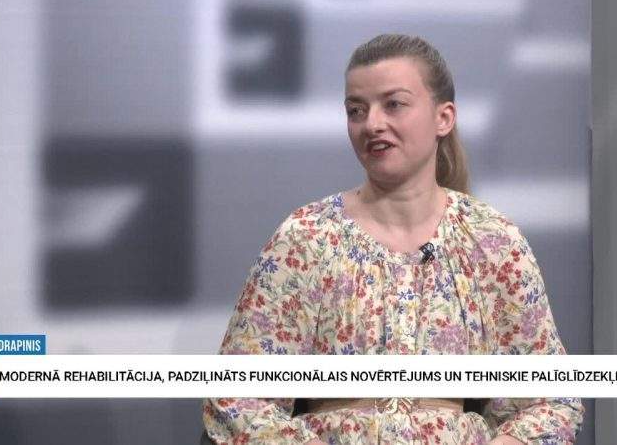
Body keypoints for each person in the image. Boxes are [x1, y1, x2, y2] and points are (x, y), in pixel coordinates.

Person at [202, 34, 584, 444]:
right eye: (356, 110)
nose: (372, 124)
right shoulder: (307, 239)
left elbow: (551, 400)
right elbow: (238, 396)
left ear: (444, 118)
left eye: (394, 104)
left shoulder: (492, 241)